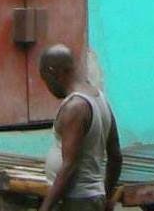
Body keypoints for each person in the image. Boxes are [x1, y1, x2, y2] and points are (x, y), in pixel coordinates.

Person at [38, 44, 122, 211]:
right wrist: (105, 196)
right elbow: (115, 156)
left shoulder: (75, 107)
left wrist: (45, 208)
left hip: (77, 201)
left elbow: (69, 166)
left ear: (54, 72)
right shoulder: (100, 98)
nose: (49, 87)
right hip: (92, 198)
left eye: (46, 80)